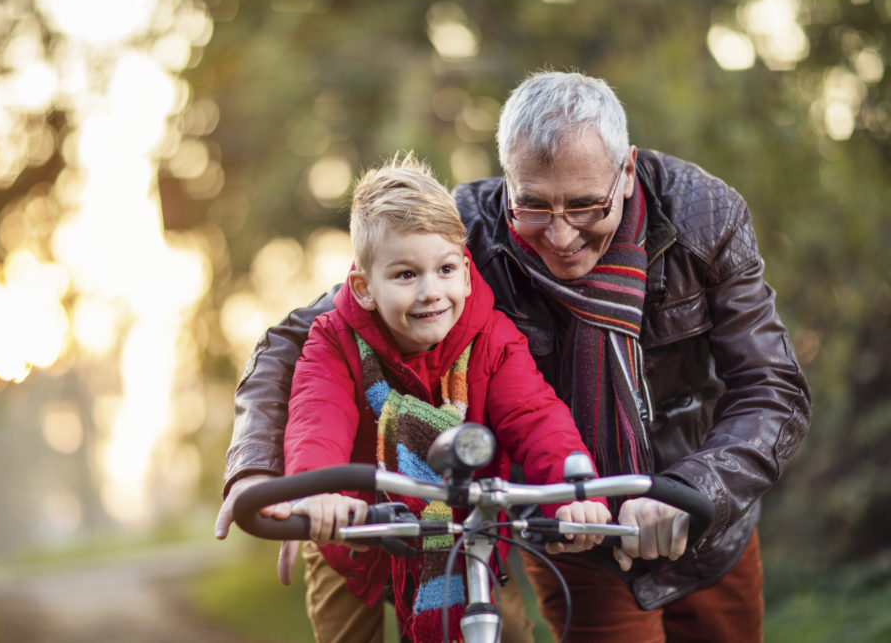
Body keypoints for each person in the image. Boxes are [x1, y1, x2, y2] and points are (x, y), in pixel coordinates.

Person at [215, 71, 811, 642]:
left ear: (626, 172)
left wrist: (692, 489)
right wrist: (260, 475)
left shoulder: (704, 218)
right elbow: (304, 337)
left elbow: (772, 387)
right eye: (533, 206)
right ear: (507, 180)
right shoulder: (461, 240)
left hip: (705, 519)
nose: (559, 235)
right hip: (577, 525)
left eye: (584, 206)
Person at [274, 154, 610, 642]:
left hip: (460, 528)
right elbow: (316, 417)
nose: (432, 291)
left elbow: (536, 415)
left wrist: (576, 490)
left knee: (510, 630)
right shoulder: (334, 341)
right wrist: (314, 490)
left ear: (468, 273)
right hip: (354, 528)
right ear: (365, 289)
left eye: (446, 269)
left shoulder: (491, 339)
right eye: (406, 275)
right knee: (344, 631)